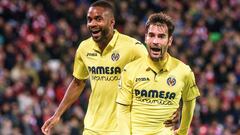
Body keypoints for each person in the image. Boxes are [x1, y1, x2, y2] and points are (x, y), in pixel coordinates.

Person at [41, 1, 178, 135]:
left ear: (111, 22)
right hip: (92, 127)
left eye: (98, 19)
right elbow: (78, 82)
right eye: (89, 20)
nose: (93, 24)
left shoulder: (132, 47)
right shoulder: (84, 48)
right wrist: (57, 114)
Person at [116, 12, 200, 135]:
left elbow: (190, 101)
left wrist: (182, 132)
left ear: (169, 40)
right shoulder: (130, 69)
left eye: (161, 36)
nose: (155, 41)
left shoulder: (184, 71)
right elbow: (122, 110)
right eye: (151, 35)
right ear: (146, 38)